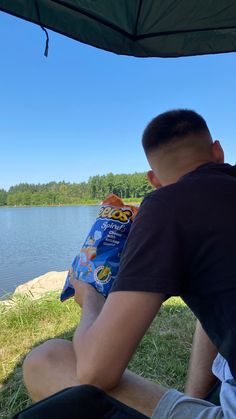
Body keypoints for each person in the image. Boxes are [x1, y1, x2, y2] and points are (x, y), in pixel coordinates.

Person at [23, 110, 236, 418]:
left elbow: (97, 371)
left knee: (45, 360)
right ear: (218, 151)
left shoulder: (166, 206)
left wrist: (90, 298)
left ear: (154, 180)